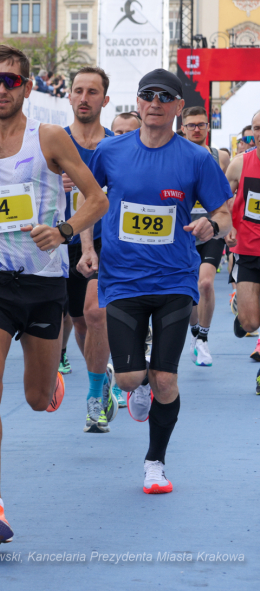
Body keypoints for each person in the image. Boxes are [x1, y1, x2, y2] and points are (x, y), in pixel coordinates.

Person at [0, 45, 107, 547]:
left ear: (28, 87)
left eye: (11, 81)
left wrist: (64, 231)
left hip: (42, 284)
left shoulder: (49, 138)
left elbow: (97, 198)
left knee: (35, 400)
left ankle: (51, 380)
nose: (2, 89)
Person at [89, 68, 232, 497]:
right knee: (132, 379)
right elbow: (87, 199)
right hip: (122, 279)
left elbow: (224, 214)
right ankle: (136, 380)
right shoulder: (110, 151)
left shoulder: (196, 158)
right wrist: (85, 248)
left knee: (165, 380)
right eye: (147, 95)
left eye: (164, 96)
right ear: (137, 101)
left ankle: (155, 462)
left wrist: (210, 224)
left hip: (174, 279)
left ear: (175, 106)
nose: (154, 102)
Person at [59, 67, 118, 431]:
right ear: (69, 96)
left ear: (105, 100)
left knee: (95, 314)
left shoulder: (115, 146)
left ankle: (94, 398)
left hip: (102, 242)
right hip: (59, 242)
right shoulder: (53, 141)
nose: (84, 97)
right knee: (79, 321)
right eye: (78, 90)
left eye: (92, 92)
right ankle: (101, 376)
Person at [179, 106, 223, 367]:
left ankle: (203, 339)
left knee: (205, 284)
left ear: (208, 127)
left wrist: (229, 228)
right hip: (182, 234)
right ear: (182, 128)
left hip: (211, 232)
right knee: (187, 291)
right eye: (191, 125)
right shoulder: (174, 157)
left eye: (201, 124)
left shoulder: (220, 157)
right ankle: (195, 331)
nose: (197, 129)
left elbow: (229, 200)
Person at [225, 108, 260, 391]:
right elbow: (220, 197)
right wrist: (228, 226)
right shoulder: (239, 164)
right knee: (250, 322)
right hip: (247, 250)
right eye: (257, 128)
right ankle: (245, 319)